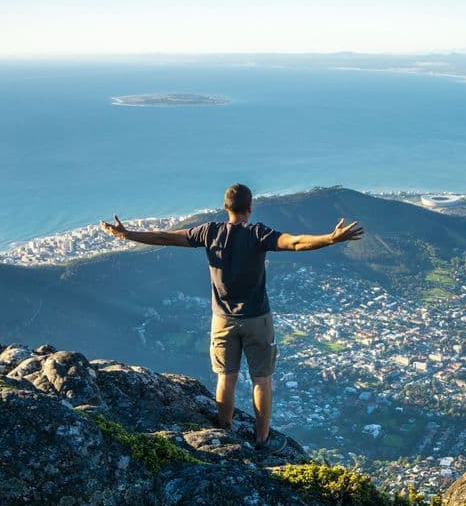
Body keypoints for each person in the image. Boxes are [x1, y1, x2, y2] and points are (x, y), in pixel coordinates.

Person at [100, 183, 364, 452]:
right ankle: (262, 439)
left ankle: (224, 429)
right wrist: (330, 239)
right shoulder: (258, 234)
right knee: (261, 379)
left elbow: (164, 237)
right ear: (250, 208)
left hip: (222, 319)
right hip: (257, 319)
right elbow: (295, 242)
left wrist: (127, 234)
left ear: (226, 207)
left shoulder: (209, 232)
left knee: (226, 377)